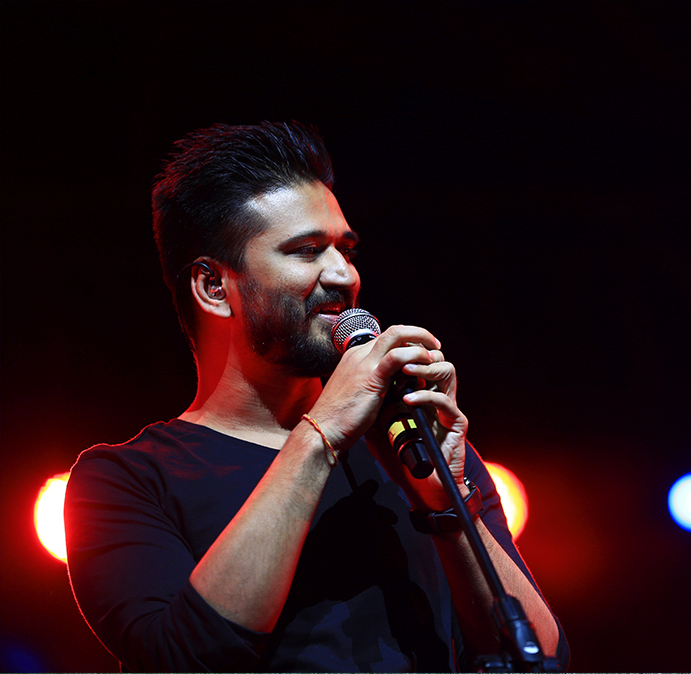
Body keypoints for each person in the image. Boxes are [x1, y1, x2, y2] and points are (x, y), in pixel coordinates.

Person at [64, 121, 568, 672]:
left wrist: (446, 504)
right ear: (214, 287)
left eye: (346, 251)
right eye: (306, 252)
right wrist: (321, 434)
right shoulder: (127, 480)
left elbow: (540, 657)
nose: (343, 275)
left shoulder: (411, 446)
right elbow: (186, 656)